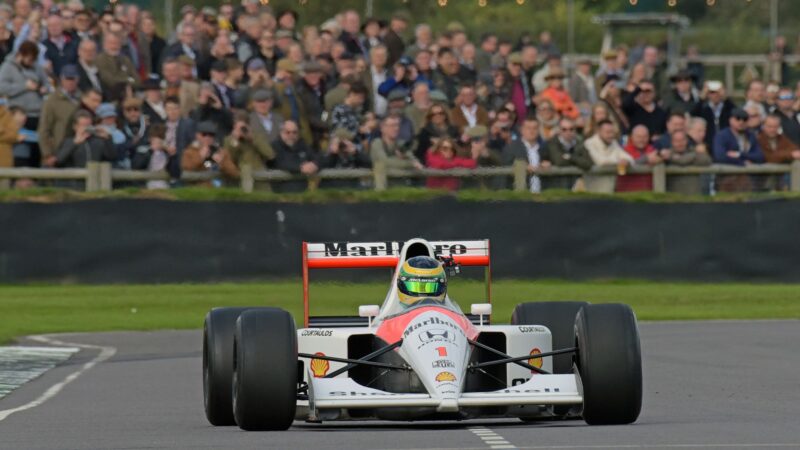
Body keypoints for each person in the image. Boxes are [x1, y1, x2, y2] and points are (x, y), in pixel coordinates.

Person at [713, 108, 765, 192]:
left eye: (744, 119)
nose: (741, 122)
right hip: (726, 181)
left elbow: (760, 156)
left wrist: (740, 155)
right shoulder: (722, 136)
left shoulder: (750, 136)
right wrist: (742, 163)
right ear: (730, 120)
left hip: (749, 182)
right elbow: (720, 156)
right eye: (737, 118)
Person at [0, 41, 49, 130]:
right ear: (21, 55)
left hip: (39, 113)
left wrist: (44, 88)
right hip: (20, 115)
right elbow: (2, 88)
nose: (31, 63)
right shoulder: (7, 67)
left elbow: (46, 83)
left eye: (34, 60)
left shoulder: (37, 66)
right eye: (29, 60)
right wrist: (24, 86)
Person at [38, 64, 80, 166]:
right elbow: (44, 129)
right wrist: (47, 154)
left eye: (72, 78)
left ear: (77, 79)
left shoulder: (82, 98)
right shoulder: (52, 101)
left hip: (77, 149)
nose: (70, 82)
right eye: (67, 78)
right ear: (62, 79)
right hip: (57, 149)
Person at [181, 121, 239, 186]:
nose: (207, 137)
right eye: (204, 134)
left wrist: (221, 163)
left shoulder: (221, 152)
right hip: (197, 189)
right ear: (197, 135)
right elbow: (186, 171)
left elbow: (235, 174)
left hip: (218, 188)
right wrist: (200, 157)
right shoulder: (189, 152)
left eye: (211, 135)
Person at [541, 118, 594, 190]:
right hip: (556, 187)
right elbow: (559, 161)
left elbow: (588, 163)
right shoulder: (551, 143)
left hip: (575, 188)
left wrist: (570, 157)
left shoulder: (580, 143)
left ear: (575, 130)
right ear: (559, 131)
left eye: (571, 129)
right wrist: (578, 161)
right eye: (564, 129)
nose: (568, 132)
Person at [583, 119, 634, 193]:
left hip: (610, 188)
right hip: (593, 188)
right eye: (607, 132)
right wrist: (619, 161)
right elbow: (600, 161)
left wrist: (626, 161)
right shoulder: (589, 143)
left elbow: (629, 158)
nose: (611, 135)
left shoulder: (613, 143)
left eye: (612, 132)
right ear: (599, 131)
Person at [271, 120, 319, 192]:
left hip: (303, 191)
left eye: (294, 132)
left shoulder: (302, 144)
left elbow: (316, 158)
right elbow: (280, 163)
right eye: (287, 132)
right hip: (281, 191)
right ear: (281, 133)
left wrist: (314, 164)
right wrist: (302, 168)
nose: (291, 135)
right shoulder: (274, 146)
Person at [503, 117, 546, 193]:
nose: (532, 131)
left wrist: (546, 164)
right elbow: (505, 166)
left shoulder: (544, 148)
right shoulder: (512, 147)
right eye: (528, 128)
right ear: (522, 130)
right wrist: (523, 168)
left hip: (542, 195)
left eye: (535, 128)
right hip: (521, 195)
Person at [663, 129, 712, 195]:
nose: (680, 143)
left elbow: (707, 160)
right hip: (673, 198)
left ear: (686, 141)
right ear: (672, 142)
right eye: (677, 141)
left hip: (693, 198)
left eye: (682, 140)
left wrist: (679, 159)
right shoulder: (666, 155)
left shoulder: (693, 152)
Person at [131, 123, 179, 189]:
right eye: (154, 139)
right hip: (147, 186)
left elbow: (175, 173)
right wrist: (150, 151)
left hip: (166, 186)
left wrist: (172, 156)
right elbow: (136, 166)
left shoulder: (167, 153)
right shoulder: (143, 150)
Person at [691, 80, 736, 148]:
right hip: (708, 145)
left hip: (726, 144)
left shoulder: (727, 108)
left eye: (718, 92)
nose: (715, 95)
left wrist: (726, 98)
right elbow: (692, 115)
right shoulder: (704, 109)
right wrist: (702, 98)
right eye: (712, 92)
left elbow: (737, 113)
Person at [618, 125, 661, 192]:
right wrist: (645, 159)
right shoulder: (623, 152)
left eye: (645, 136)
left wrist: (661, 159)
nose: (642, 139)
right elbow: (621, 172)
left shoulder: (653, 150)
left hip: (649, 194)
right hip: (628, 193)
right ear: (631, 137)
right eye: (638, 137)